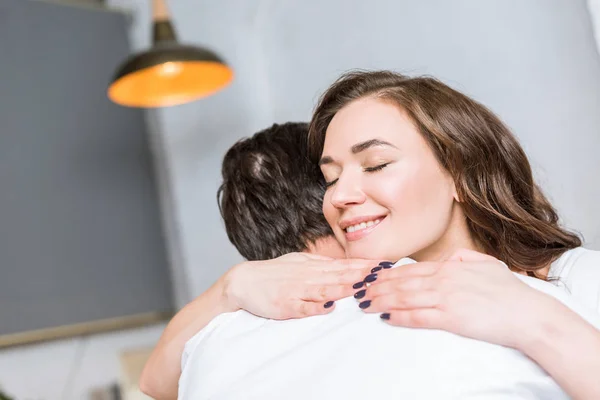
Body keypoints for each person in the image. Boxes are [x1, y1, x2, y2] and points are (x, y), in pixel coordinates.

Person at [141, 73, 600, 400]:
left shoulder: (569, 284)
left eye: (376, 164)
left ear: (462, 171)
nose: (341, 195)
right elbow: (157, 381)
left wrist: (535, 318)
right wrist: (230, 287)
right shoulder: (255, 328)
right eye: (330, 178)